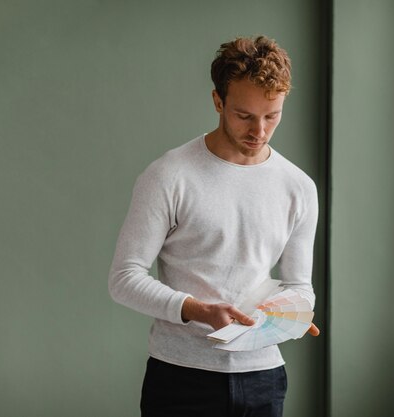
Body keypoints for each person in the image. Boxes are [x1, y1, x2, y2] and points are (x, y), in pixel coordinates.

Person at [108, 35, 320, 417]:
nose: (259, 131)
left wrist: (297, 313)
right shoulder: (169, 176)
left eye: (272, 116)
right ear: (218, 101)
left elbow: (298, 285)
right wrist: (199, 310)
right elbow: (124, 278)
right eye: (244, 115)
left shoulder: (299, 187)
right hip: (180, 377)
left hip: (264, 377)